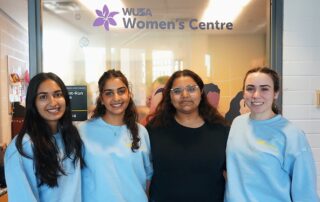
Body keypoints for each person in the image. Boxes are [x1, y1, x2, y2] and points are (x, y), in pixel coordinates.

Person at [225, 67, 319, 202]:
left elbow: (305, 192)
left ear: (276, 93)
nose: (256, 95)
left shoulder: (292, 134)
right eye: (250, 88)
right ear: (243, 92)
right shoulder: (237, 124)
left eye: (264, 89)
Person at [147, 69, 229, 201]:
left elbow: (232, 175)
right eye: (177, 91)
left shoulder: (221, 130)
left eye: (191, 89)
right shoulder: (154, 130)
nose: (185, 95)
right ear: (170, 96)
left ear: (201, 92)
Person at [4, 72, 85, 202]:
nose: (53, 102)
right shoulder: (22, 148)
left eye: (57, 94)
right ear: (33, 103)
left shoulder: (72, 138)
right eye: (43, 97)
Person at [79, 69, 153, 202]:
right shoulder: (83, 131)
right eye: (109, 93)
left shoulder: (141, 132)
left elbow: (148, 177)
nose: (116, 98)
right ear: (101, 99)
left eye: (121, 91)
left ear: (129, 94)